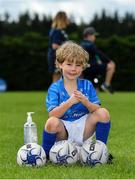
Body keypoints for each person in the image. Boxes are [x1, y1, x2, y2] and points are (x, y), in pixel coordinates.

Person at [42, 42, 112, 162]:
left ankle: (101, 152)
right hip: (64, 131)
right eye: (69, 64)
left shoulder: (87, 85)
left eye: (78, 65)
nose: (73, 69)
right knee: (51, 122)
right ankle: (47, 156)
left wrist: (86, 102)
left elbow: (96, 109)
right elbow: (52, 115)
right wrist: (70, 102)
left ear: (83, 66)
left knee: (103, 113)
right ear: (60, 64)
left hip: (84, 129)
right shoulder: (54, 88)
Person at [80, 27, 116, 94]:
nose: (95, 37)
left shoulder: (81, 44)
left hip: (84, 68)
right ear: (89, 35)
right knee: (111, 66)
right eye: (94, 35)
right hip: (91, 67)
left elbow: (94, 55)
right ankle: (106, 84)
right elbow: (99, 53)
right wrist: (109, 61)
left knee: (92, 87)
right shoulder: (90, 44)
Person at [48, 11, 69, 82]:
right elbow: (54, 46)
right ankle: (53, 93)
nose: (67, 19)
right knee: (57, 77)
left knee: (60, 78)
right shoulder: (57, 31)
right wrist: (68, 48)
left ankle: (57, 93)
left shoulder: (60, 30)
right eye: (66, 18)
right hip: (55, 57)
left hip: (59, 57)